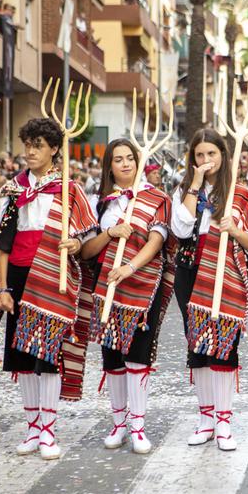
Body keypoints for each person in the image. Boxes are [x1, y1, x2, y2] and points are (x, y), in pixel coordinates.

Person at [0, 118, 97, 460]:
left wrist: (75, 244)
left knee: (48, 353)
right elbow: (3, 244)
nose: (30, 152)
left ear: (54, 149)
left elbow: (87, 235)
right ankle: (32, 426)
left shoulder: (70, 188)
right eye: (27, 145)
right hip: (20, 276)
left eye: (37, 145)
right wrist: (2, 287)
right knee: (22, 354)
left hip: (53, 277)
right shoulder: (13, 190)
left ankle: (49, 431)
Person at [81, 139, 172, 454]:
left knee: (138, 356)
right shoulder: (101, 202)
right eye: (117, 159)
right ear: (109, 166)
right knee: (113, 357)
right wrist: (110, 233)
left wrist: (130, 267)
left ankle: (138, 426)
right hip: (108, 287)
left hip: (143, 284)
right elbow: (86, 250)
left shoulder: (156, 198)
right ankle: (118, 422)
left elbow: (157, 241)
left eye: (129, 158)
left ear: (138, 161)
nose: (124, 164)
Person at [172, 129, 248, 450]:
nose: (206, 161)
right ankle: (206, 418)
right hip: (190, 272)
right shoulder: (184, 189)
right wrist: (194, 186)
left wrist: (233, 229)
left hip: (227, 272)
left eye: (212, 154)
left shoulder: (241, 193)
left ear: (223, 156)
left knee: (223, 345)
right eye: (199, 155)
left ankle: (224, 421)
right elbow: (180, 227)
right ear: (192, 160)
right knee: (198, 346)